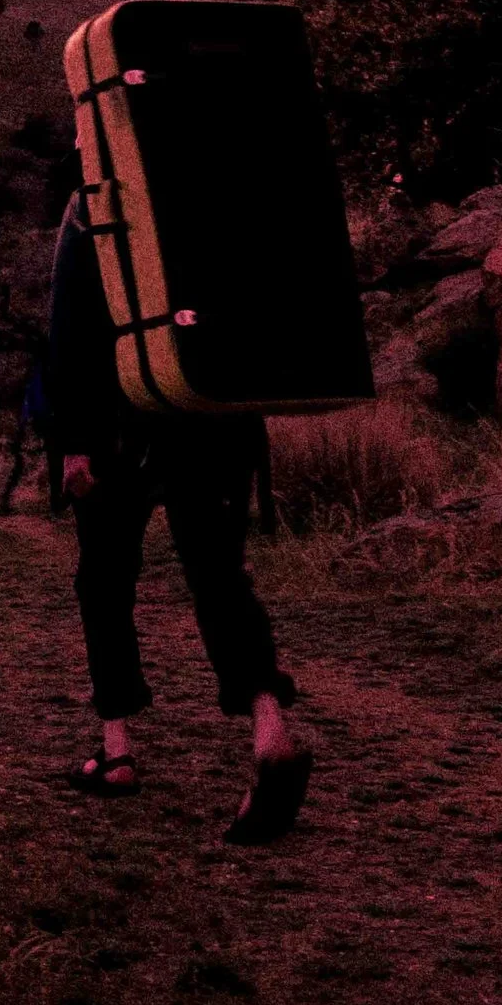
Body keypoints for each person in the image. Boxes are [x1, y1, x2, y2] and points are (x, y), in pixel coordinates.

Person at [43, 182, 313, 845]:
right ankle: (269, 724)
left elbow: (72, 322)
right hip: (214, 410)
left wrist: (73, 441)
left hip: (120, 423)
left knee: (103, 581)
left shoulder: (97, 196)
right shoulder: (218, 191)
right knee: (220, 575)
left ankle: (116, 747)